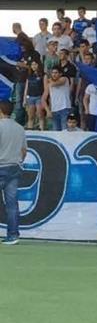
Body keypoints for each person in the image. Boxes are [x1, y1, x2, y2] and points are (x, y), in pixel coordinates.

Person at [0, 101, 26, 245]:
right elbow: (24, 151)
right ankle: (13, 235)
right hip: (14, 167)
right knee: (12, 204)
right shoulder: (19, 128)